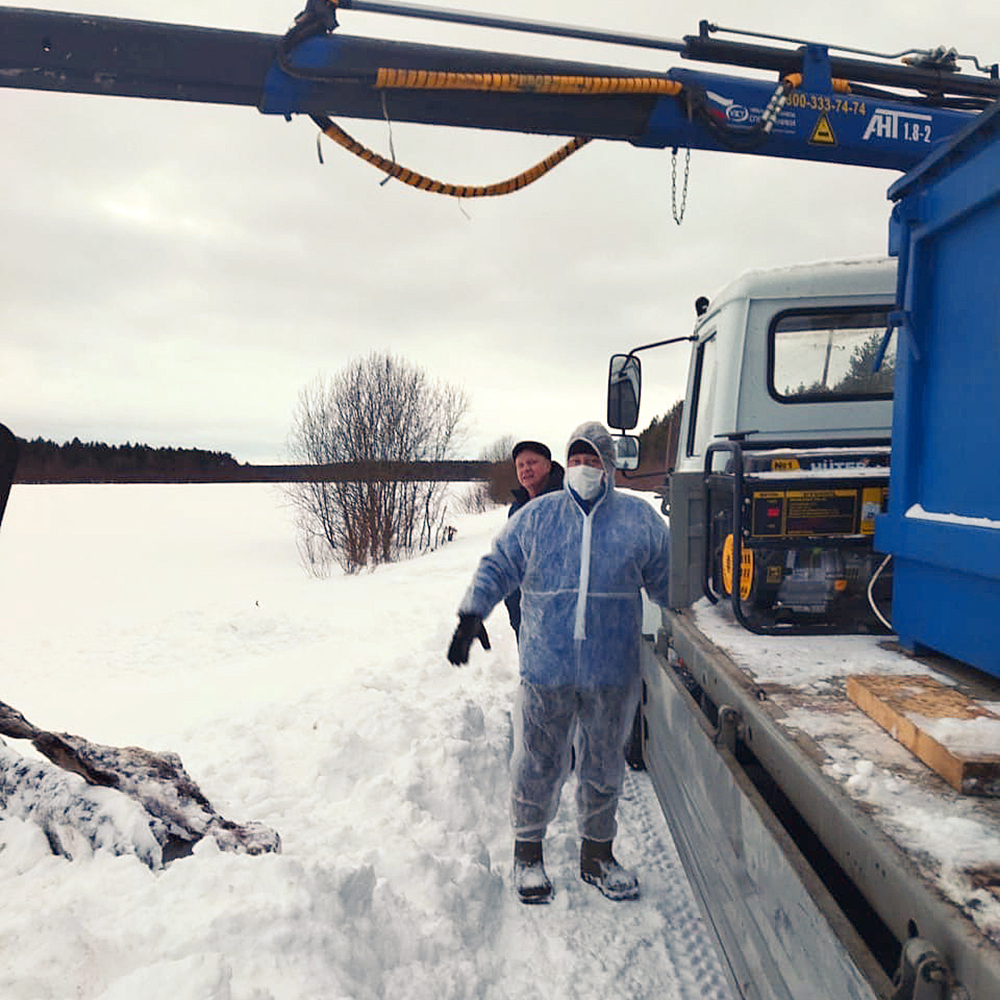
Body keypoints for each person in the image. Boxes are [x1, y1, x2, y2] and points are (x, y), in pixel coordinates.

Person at [447, 421, 671, 904]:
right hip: (547, 666)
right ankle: (527, 855)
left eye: (593, 460)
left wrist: (702, 609)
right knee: (538, 761)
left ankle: (598, 856)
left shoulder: (639, 521)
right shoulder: (537, 516)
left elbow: (670, 582)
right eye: (577, 460)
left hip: (612, 670)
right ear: (564, 466)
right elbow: (499, 564)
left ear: (609, 466)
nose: (584, 468)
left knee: (604, 764)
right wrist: (472, 612)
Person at [504, 440, 564, 639]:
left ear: (548, 465)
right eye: (520, 465)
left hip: (559, 619)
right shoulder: (517, 507)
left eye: (532, 463)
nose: (525, 469)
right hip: (522, 615)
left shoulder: (566, 501)